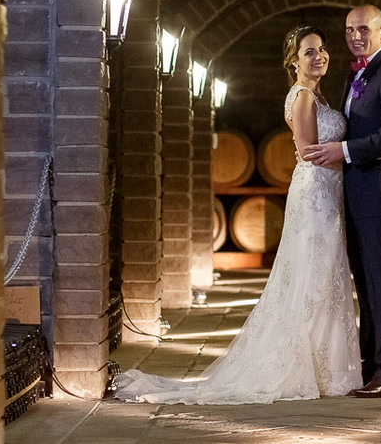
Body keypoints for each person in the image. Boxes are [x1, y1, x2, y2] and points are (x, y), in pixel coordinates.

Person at [112, 25, 361, 404]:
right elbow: (310, 153)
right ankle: (300, 366)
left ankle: (323, 364)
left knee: (323, 274)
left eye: (322, 49)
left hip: (325, 192)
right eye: (309, 52)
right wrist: (355, 159)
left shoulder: (316, 95)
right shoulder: (303, 97)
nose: (319, 56)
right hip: (316, 195)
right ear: (294, 61)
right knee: (311, 275)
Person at [302, 4, 381, 398]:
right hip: (356, 196)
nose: (356, 36)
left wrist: (345, 150)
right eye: (350, 29)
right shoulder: (358, 74)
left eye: (364, 29)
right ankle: (371, 368)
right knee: (366, 289)